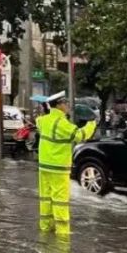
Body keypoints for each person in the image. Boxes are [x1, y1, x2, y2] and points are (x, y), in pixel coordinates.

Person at [36, 91, 96, 238]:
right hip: (58, 168)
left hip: (44, 166)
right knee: (60, 201)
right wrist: (92, 123)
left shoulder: (43, 120)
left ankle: (45, 228)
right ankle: (62, 234)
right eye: (65, 103)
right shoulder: (61, 123)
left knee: (45, 198)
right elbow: (80, 136)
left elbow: (39, 122)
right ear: (59, 105)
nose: (68, 105)